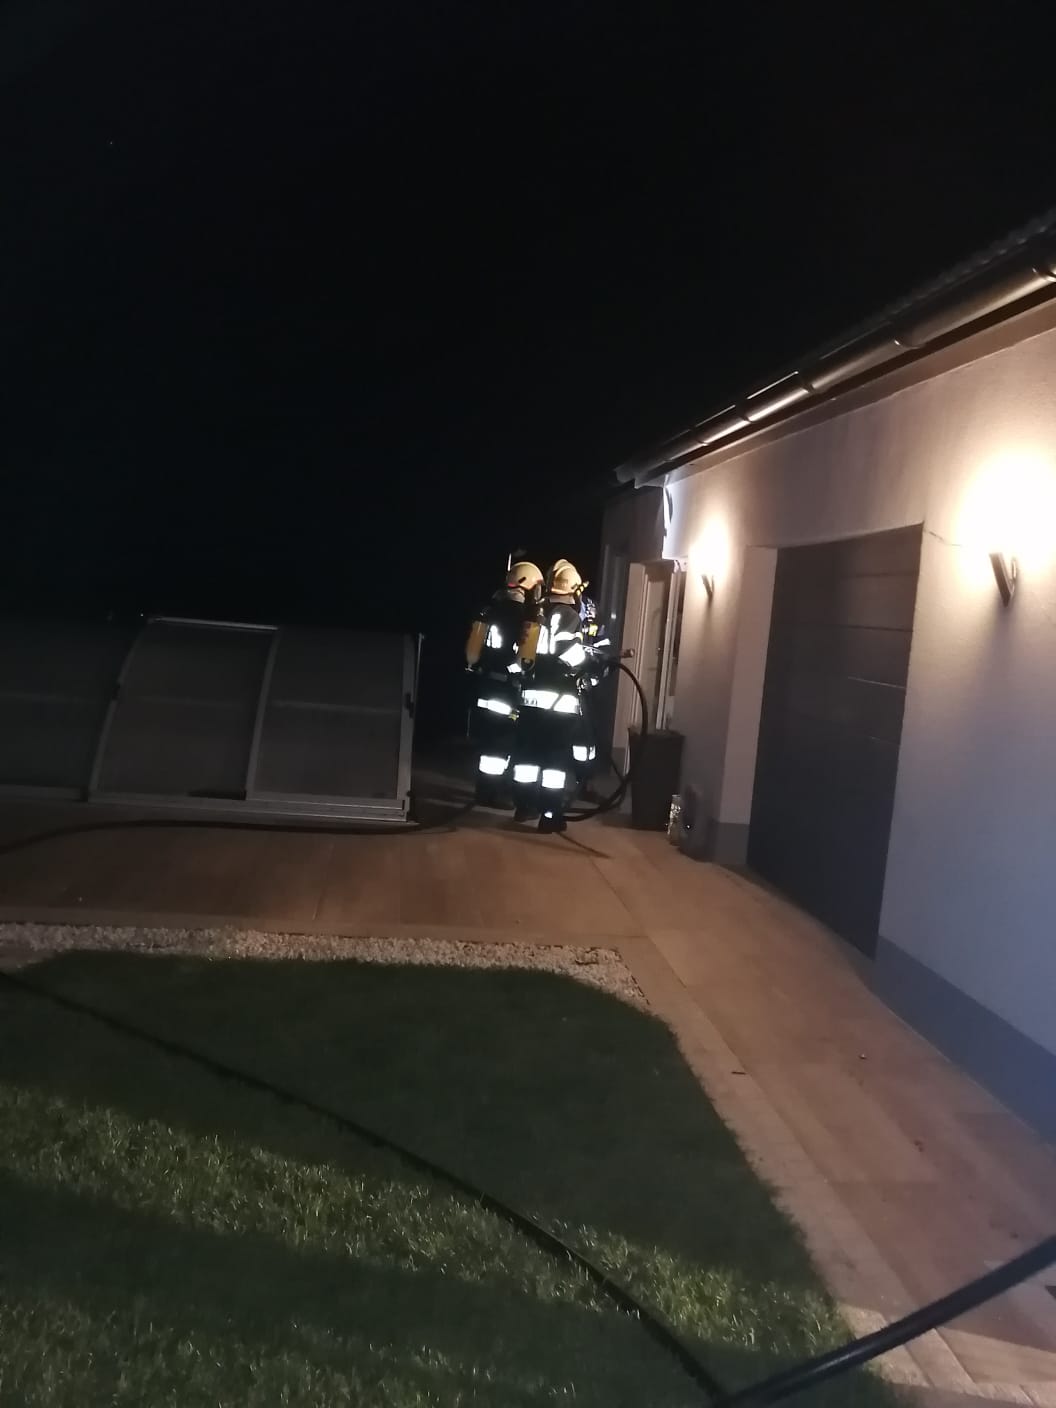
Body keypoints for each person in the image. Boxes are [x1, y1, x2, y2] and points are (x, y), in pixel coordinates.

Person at [511, 558, 590, 831]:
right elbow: (570, 655)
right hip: (559, 702)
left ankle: (524, 806)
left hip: (530, 699)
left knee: (528, 757)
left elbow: (520, 654)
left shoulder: (535, 612)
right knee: (554, 762)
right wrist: (589, 662)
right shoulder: (569, 616)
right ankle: (550, 815)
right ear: (574, 590)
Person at [465, 560, 543, 804]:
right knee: (500, 746)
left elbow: (473, 654)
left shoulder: (491, 609)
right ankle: (490, 794)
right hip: (505, 689)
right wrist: (521, 674)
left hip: (486, 685)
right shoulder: (521, 616)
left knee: (490, 743)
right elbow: (524, 660)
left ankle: (485, 790)